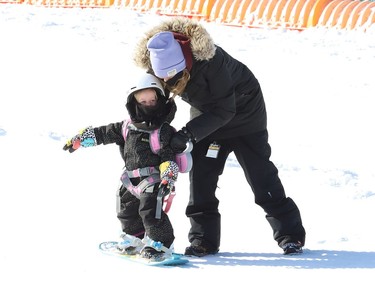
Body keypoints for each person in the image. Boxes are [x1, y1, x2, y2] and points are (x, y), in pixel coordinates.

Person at [132, 17, 306, 256]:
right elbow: (157, 103)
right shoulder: (158, 66)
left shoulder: (212, 61)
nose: (165, 82)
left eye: (171, 76)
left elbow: (226, 110)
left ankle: (290, 236)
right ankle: (203, 240)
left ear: (184, 62)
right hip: (206, 116)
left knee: (260, 176)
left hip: (245, 115)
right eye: (162, 78)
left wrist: (189, 133)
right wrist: (155, 131)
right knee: (201, 175)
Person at [62, 73, 184, 261]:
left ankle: (161, 243)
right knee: (126, 210)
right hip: (130, 178)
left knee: (151, 210)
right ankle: (134, 238)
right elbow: (104, 133)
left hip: (153, 178)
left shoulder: (163, 130)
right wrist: (81, 139)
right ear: (134, 103)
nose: (148, 104)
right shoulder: (126, 127)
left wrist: (168, 175)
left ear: (160, 101)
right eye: (143, 101)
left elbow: (168, 155)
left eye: (153, 100)